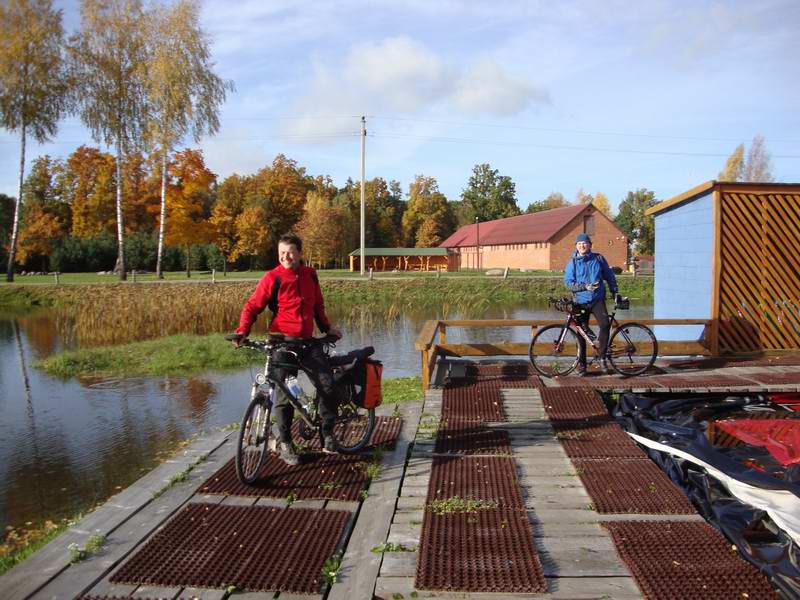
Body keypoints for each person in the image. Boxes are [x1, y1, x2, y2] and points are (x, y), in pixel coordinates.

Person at [231, 233, 342, 465]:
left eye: (290, 252)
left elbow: (318, 305)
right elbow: (253, 306)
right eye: (281, 252)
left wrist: (327, 329)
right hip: (282, 341)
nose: (285, 256)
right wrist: (243, 331)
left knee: (328, 385)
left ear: (299, 253)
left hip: (307, 342)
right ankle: (286, 443)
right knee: (284, 397)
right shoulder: (273, 277)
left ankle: (327, 432)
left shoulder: (311, 274)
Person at [563, 233, 620, 375]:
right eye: (579, 244)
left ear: (590, 245)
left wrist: (614, 292)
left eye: (585, 243)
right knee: (581, 333)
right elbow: (568, 283)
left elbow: (609, 276)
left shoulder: (598, 259)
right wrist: (585, 287)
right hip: (580, 302)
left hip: (597, 299)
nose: (582, 246)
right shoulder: (573, 262)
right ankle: (582, 365)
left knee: (605, 325)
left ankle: (601, 357)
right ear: (576, 246)